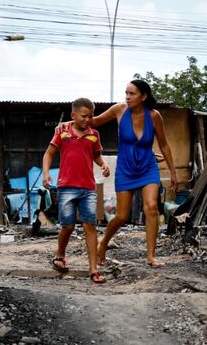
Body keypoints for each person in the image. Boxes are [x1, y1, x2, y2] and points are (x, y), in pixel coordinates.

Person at [59, 79, 178, 267]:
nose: (127, 97)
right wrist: (69, 123)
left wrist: (172, 172)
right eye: (126, 93)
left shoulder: (154, 116)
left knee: (151, 207)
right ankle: (103, 243)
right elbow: (93, 122)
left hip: (148, 167)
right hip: (125, 169)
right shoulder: (119, 110)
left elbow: (163, 144)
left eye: (132, 94)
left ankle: (151, 256)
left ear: (143, 96)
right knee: (122, 216)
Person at [43, 98, 111, 284]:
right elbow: (49, 153)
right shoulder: (63, 132)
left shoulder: (94, 134)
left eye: (90, 116)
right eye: (84, 116)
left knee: (90, 226)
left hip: (88, 188)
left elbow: (96, 156)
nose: (88, 120)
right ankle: (60, 255)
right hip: (66, 187)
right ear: (73, 115)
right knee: (68, 226)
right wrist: (46, 174)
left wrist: (103, 164)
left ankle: (93, 270)